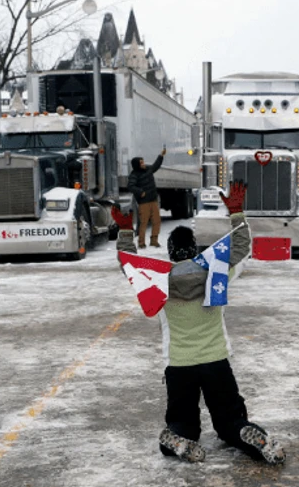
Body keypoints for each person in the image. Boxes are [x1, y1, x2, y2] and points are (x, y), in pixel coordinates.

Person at [112, 181, 286, 465]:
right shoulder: (215, 274)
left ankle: (177, 438)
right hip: (216, 361)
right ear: (194, 249)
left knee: (183, 422)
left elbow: (128, 264)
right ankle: (247, 433)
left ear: (170, 253)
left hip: (179, 366)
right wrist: (237, 213)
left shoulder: (159, 283)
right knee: (230, 420)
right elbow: (242, 248)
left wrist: (124, 232)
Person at [128, 147, 167, 248]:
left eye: (143, 161)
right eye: (141, 162)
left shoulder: (148, 169)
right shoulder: (134, 174)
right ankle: (141, 243)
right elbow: (131, 186)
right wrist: (140, 192)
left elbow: (156, 166)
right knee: (144, 223)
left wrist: (161, 156)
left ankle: (154, 240)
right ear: (137, 165)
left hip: (153, 200)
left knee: (156, 221)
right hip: (144, 202)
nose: (143, 163)